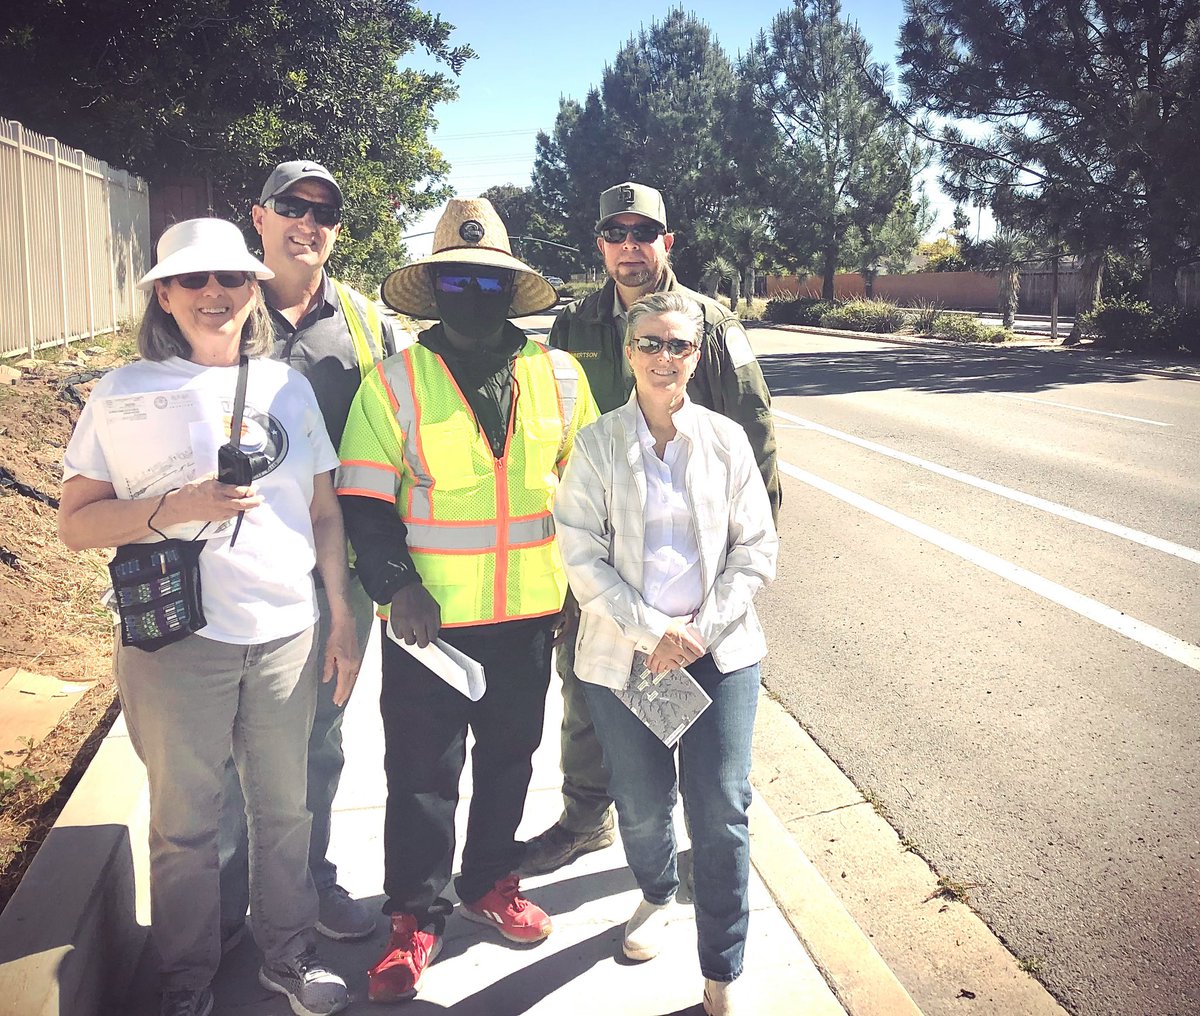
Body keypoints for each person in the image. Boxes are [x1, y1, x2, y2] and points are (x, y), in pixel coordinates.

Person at [57, 218, 357, 1016]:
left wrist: (340, 617)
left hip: (286, 633)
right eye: (193, 281)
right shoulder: (122, 392)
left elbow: (324, 513)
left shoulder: (287, 386)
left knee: (286, 812)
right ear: (164, 294)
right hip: (177, 645)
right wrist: (174, 508)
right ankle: (185, 981)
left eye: (231, 279)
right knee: (186, 827)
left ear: (253, 288)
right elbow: (76, 523)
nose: (215, 294)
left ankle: (287, 958)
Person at [334, 198, 598, 1003]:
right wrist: (394, 585)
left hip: (526, 618)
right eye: (457, 279)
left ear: (509, 288)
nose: (472, 293)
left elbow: (589, 492)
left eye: (488, 280)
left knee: (512, 761)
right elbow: (365, 501)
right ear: (435, 289)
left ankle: (490, 881)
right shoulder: (394, 382)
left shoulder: (559, 374)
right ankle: (414, 917)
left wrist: (584, 591)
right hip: (428, 627)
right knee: (420, 775)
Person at [522, 181, 782, 877]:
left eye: (645, 233)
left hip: (691, 558)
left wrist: (747, 561)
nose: (630, 247)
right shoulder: (576, 326)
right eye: (617, 233)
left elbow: (752, 434)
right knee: (588, 691)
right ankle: (587, 818)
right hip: (604, 554)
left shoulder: (711, 323)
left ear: (667, 241)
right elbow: (553, 431)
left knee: (701, 698)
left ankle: (700, 847)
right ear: (600, 242)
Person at [552, 291, 778, 1016]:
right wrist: (653, 631)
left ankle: (722, 965)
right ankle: (655, 892)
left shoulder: (725, 440)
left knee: (721, 807)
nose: (664, 358)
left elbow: (756, 546)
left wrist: (701, 630)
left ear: (697, 354)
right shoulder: (595, 444)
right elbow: (580, 553)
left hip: (719, 652)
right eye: (649, 344)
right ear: (628, 352)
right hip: (628, 658)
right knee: (644, 807)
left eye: (678, 345)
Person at [218, 159, 399, 946]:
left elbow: (400, 439)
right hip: (225, 567)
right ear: (257, 216)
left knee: (321, 738)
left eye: (324, 211)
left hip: (336, 572)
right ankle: (226, 904)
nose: (309, 222)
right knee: (227, 744)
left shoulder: (366, 325)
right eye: (292, 205)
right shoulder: (218, 307)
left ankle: (307, 882)